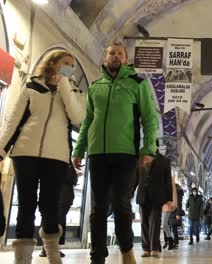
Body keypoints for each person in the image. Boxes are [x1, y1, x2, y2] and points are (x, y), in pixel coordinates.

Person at [72, 42, 158, 264]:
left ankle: (127, 250)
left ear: (126, 60)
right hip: (98, 154)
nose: (116, 56)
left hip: (126, 154)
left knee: (121, 204)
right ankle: (97, 257)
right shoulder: (94, 87)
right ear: (105, 58)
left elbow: (149, 119)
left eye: (120, 53)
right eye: (112, 53)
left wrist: (148, 149)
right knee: (98, 208)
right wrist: (79, 148)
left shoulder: (138, 84)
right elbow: (88, 120)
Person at [0, 50, 85, 264]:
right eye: (66, 63)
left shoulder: (74, 91)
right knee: (26, 205)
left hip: (56, 157)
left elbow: (76, 118)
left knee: (49, 205)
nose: (70, 67)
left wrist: (64, 85)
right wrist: (0, 150)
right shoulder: (31, 86)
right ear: (53, 63)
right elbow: (13, 121)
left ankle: (53, 253)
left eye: (72, 65)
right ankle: (22, 257)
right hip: (25, 152)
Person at [136, 140, 172, 258]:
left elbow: (167, 181)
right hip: (142, 195)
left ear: (156, 146)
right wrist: (129, 192)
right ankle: (146, 248)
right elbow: (135, 177)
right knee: (144, 222)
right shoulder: (140, 158)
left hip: (157, 196)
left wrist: (169, 198)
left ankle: (154, 248)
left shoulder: (164, 161)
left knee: (155, 222)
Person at [38, 166, 78, 258]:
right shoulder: (63, 161)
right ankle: (49, 249)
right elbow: (72, 178)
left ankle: (47, 248)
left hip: (57, 196)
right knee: (57, 222)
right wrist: (75, 175)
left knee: (51, 219)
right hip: (62, 196)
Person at [162, 175, 177, 252]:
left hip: (167, 204)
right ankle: (168, 241)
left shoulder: (170, 178)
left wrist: (173, 204)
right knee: (163, 225)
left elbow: (173, 191)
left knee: (164, 223)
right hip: (158, 204)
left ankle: (170, 239)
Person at [170, 184, 185, 248]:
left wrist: (178, 214)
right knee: (172, 228)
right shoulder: (175, 193)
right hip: (171, 212)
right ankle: (173, 242)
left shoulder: (178, 194)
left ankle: (175, 242)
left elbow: (179, 204)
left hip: (175, 212)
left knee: (173, 228)